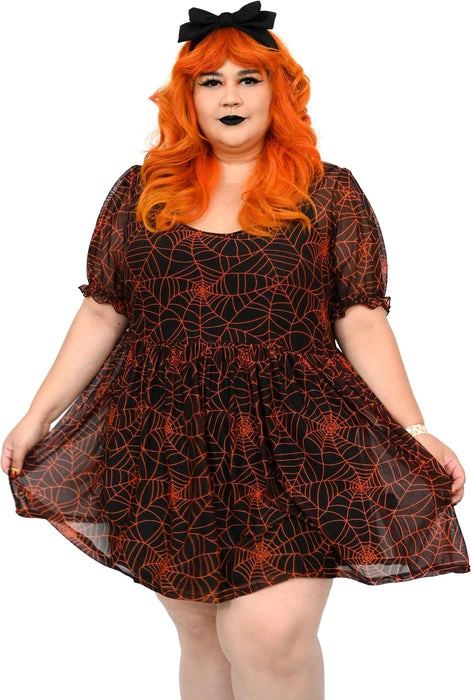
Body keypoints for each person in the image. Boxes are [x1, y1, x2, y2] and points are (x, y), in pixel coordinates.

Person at [2, 3, 469, 699]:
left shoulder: (327, 192)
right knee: (202, 635)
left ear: (278, 92)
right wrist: (37, 415)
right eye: (210, 81)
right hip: (166, 435)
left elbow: (361, 318)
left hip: (296, 436)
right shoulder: (142, 191)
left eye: (249, 79)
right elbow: (103, 309)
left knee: (267, 636)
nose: (230, 96)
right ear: (186, 98)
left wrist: (416, 429)